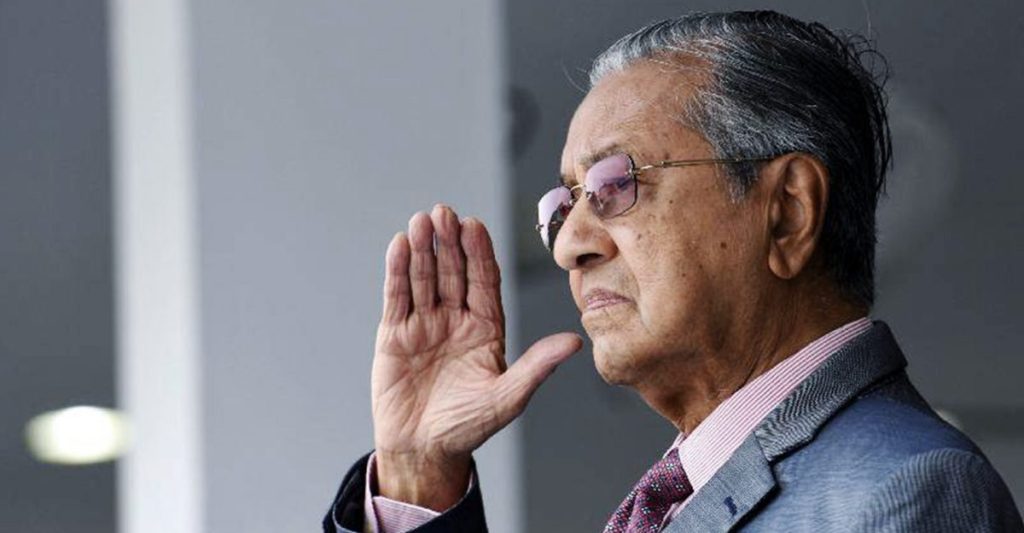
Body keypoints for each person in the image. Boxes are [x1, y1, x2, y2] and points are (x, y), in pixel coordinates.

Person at [324, 10, 1023, 533]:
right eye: (564, 204)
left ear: (787, 212)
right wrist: (419, 471)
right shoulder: (688, 488)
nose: (569, 246)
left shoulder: (908, 490)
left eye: (615, 183)